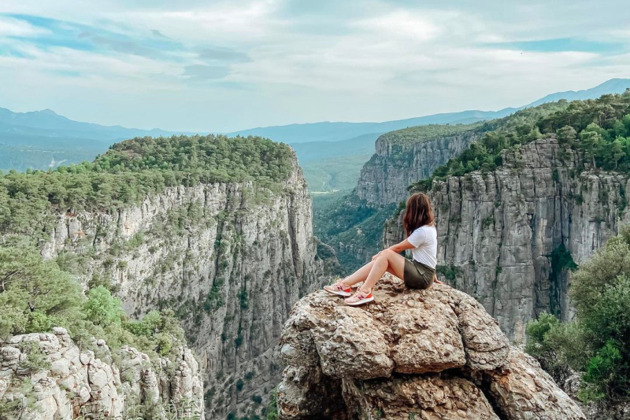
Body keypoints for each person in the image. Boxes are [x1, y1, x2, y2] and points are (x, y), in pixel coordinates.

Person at [324, 192, 439, 306]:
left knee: (386, 255)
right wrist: (432, 272)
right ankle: (345, 284)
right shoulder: (428, 228)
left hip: (422, 276)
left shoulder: (423, 231)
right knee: (383, 261)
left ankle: (365, 291)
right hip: (422, 272)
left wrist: (381, 254)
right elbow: (429, 254)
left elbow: (398, 247)